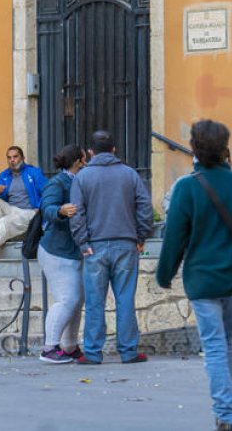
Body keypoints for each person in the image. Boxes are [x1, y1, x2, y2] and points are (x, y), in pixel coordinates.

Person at [157, 119, 232, 431]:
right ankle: (225, 412)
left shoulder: (187, 188)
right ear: (224, 148)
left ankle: (226, 415)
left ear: (194, 148)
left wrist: (165, 274)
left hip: (203, 281)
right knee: (225, 341)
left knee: (215, 345)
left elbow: (174, 237)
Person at [70, 130, 154, 365]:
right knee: (125, 298)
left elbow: (77, 213)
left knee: (95, 300)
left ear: (90, 152)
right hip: (126, 243)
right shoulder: (130, 175)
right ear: (114, 150)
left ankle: (94, 352)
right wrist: (141, 236)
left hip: (94, 246)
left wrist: (82, 241)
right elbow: (144, 207)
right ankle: (128, 351)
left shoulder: (82, 177)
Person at [37, 144, 86, 364]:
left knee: (77, 300)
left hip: (72, 251)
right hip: (56, 251)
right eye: (84, 159)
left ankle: (69, 346)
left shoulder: (79, 180)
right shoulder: (57, 182)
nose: (86, 163)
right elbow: (46, 207)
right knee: (68, 299)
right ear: (78, 161)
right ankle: (49, 348)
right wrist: (60, 210)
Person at [0, 146, 47, 259]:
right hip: (12, 211)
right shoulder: (4, 175)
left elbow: (47, 191)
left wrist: (39, 208)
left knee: (4, 221)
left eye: (15, 157)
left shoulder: (34, 172)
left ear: (23, 158)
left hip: (30, 213)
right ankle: (0, 237)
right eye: (9, 158)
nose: (12, 160)